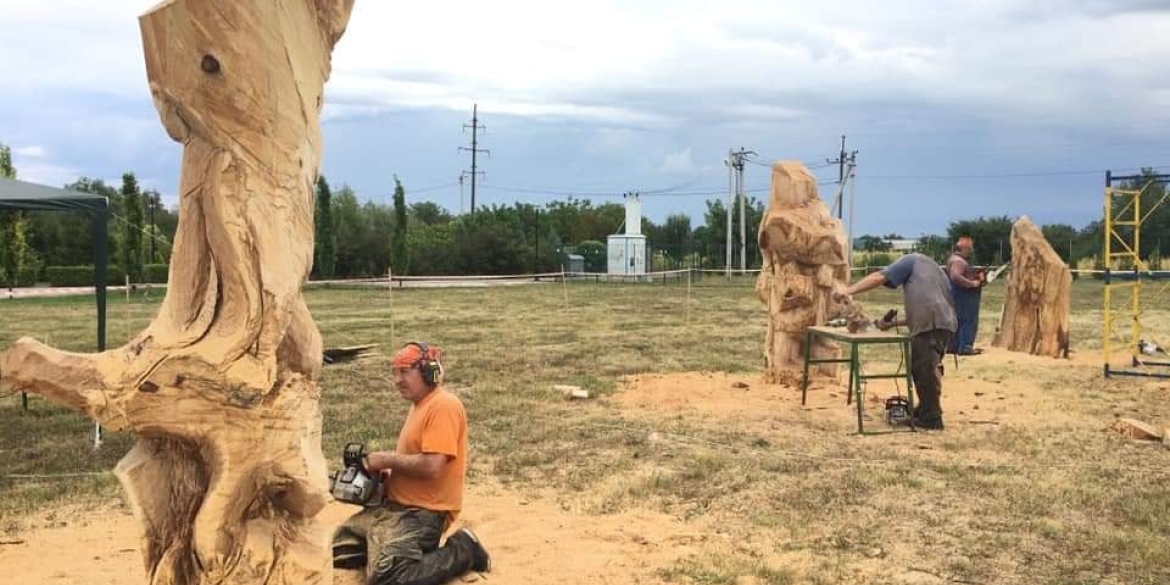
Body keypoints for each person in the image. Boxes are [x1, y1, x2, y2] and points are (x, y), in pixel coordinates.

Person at [332, 342, 491, 584]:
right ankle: (404, 552)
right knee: (338, 550)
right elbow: (413, 460)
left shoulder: (443, 405)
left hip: (423, 513)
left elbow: (432, 466)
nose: (397, 379)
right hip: (392, 509)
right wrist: (385, 476)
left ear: (428, 371)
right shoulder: (420, 405)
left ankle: (463, 550)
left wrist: (385, 459)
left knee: (388, 577)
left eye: (404, 371)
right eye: (394, 372)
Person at [833, 253, 957, 430]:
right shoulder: (933, 271)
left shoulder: (910, 261)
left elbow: (878, 277)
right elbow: (928, 307)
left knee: (924, 369)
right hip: (944, 322)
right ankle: (925, 409)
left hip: (933, 323)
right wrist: (893, 324)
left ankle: (931, 418)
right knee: (924, 367)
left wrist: (848, 291)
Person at [946, 236, 985, 355]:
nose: (972, 251)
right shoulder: (959, 261)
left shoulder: (954, 259)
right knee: (968, 320)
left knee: (957, 320)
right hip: (965, 296)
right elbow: (955, 276)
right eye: (970, 248)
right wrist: (972, 283)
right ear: (965, 249)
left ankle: (954, 346)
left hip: (957, 295)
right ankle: (965, 347)